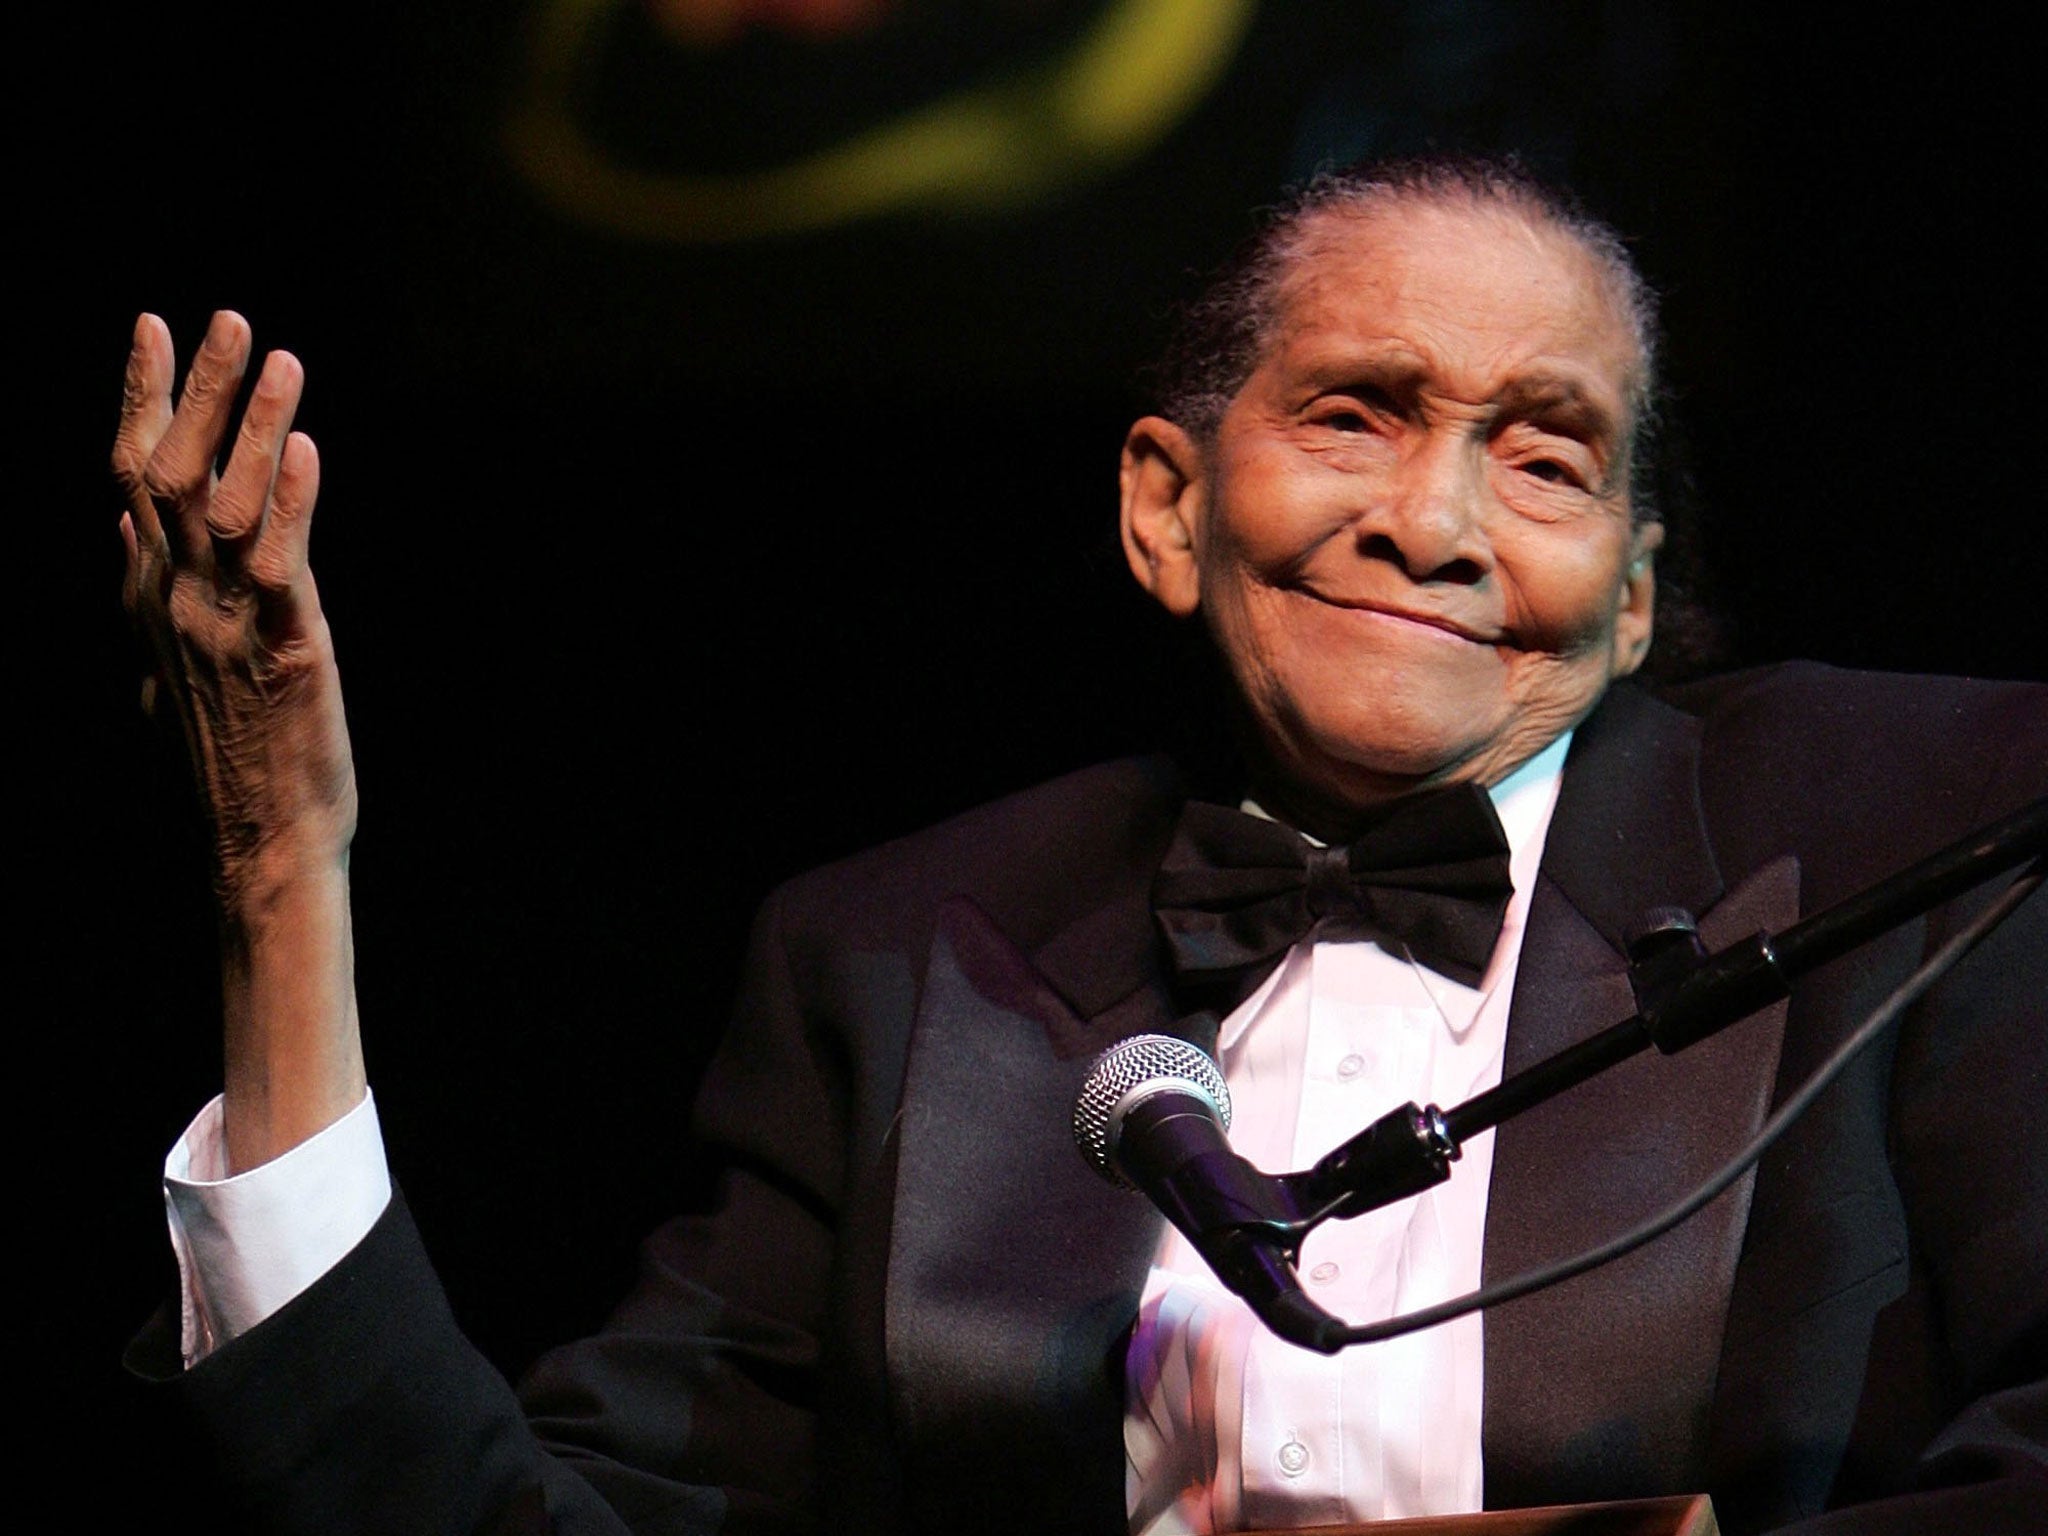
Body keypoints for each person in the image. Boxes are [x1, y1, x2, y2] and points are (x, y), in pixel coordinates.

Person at [117, 157, 2046, 1533]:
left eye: (1543, 456)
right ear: (1165, 506)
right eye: (1358, 415)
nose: (1437, 521)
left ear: (1631, 602)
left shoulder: (1926, 832)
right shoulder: (891, 959)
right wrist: (281, 877)